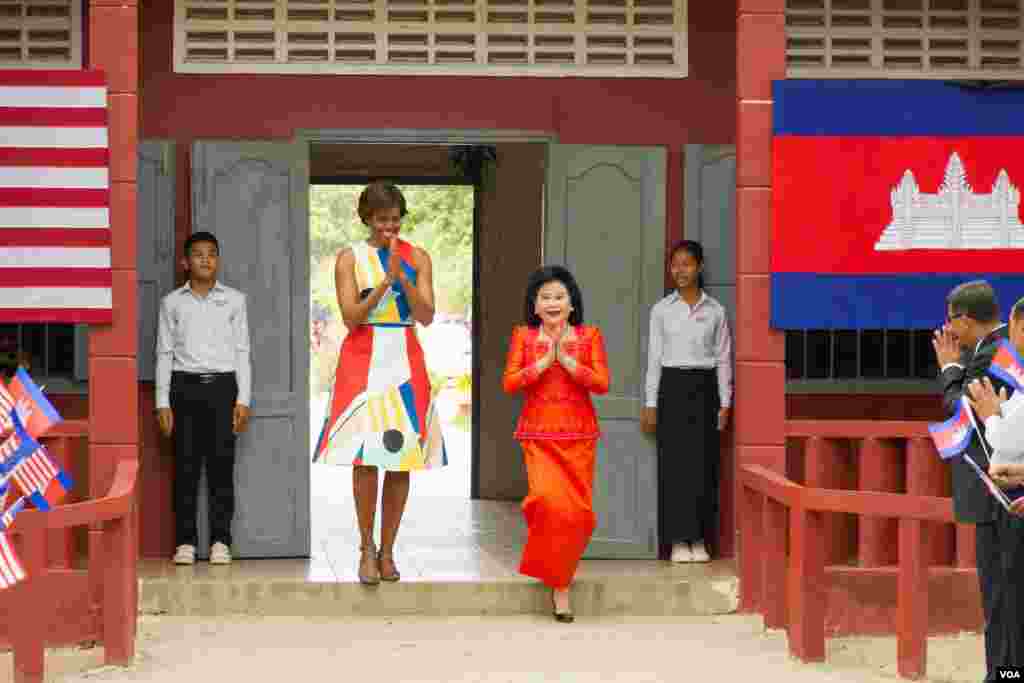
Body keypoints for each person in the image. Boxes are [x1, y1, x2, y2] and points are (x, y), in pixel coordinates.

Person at [313, 181, 445, 586]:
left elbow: (425, 315)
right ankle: (365, 548)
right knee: (365, 459)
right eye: (382, 221)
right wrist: (384, 283)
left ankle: (389, 551)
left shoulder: (417, 256)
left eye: (395, 220)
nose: (390, 228)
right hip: (362, 356)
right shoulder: (348, 258)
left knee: (402, 460)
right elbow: (351, 316)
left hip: (405, 356)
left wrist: (401, 277)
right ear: (367, 219)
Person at [502, 265, 609, 623]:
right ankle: (560, 587)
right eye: (545, 297)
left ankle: (559, 580)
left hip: (579, 437)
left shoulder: (589, 335)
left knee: (577, 514)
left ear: (572, 304)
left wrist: (566, 360)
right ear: (534, 306)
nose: (552, 303)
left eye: (559, 297)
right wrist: (544, 362)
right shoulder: (524, 337)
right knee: (547, 504)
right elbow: (510, 382)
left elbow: (601, 382)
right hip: (539, 436)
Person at [933, 280, 1023, 680]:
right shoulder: (989, 350)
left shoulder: (995, 354)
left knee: (1004, 602)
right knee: (1000, 601)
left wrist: (949, 370)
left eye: (951, 320)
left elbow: (967, 416)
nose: (949, 330)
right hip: (1002, 491)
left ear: (965, 319)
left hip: (1004, 496)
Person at [156, 231, 252, 566]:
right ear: (186, 262)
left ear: (218, 260)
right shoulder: (172, 303)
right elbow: (164, 353)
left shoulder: (235, 301)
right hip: (184, 388)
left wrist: (244, 399)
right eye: (198, 254)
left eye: (212, 254)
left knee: (221, 469)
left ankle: (221, 541)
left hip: (223, 388)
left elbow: (243, 351)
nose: (205, 260)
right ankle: (185, 542)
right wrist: (162, 402)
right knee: (185, 468)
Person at [641, 240, 732, 564]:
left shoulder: (715, 311)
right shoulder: (661, 310)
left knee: (703, 466)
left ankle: (699, 539)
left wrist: (725, 402)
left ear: (699, 267)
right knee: (674, 466)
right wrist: (650, 403)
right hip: (673, 389)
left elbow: (723, 359)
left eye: (687, 264)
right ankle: (678, 541)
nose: (680, 270)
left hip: (704, 389)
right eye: (675, 264)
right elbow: (654, 359)